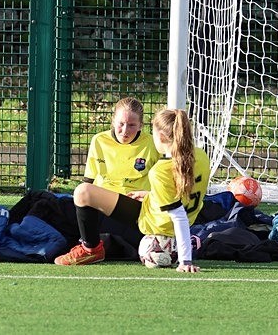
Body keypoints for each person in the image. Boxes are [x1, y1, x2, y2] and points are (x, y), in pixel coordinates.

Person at [54, 109, 210, 273]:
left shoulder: (160, 171)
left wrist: (185, 261)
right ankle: (183, 242)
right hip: (173, 219)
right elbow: (182, 194)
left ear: (162, 137)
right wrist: (152, 195)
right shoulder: (201, 156)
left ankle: (91, 249)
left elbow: (178, 215)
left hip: (154, 224)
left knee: (83, 192)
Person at [82, 97, 160, 195]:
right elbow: (89, 179)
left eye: (131, 125)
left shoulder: (153, 143)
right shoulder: (99, 140)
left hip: (137, 199)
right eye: (121, 124)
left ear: (140, 125)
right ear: (113, 121)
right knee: (81, 192)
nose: (125, 130)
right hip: (104, 197)